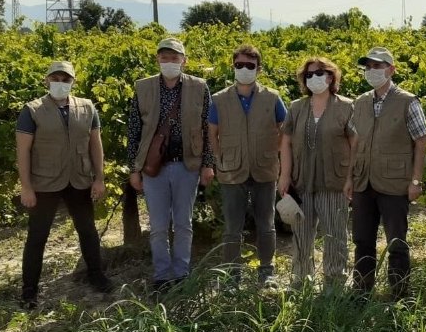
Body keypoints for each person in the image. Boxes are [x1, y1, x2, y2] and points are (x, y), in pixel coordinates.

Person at [15, 61, 113, 309]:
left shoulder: (87, 107)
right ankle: (29, 291)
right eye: (55, 78)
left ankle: (96, 275)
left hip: (79, 178)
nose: (60, 82)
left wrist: (99, 178)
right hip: (45, 181)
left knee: (87, 230)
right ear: (46, 80)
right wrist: (26, 187)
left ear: (73, 82)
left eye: (65, 79)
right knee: (37, 237)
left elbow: (95, 145)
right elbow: (23, 151)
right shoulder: (33, 110)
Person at [125, 37, 215, 291]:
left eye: (175, 58)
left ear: (184, 61)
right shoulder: (143, 88)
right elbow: (134, 130)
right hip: (154, 167)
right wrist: (134, 168)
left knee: (184, 222)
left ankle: (182, 272)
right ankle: (163, 275)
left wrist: (208, 163)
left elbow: (208, 128)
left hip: (187, 165)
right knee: (158, 225)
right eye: (165, 57)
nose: (169, 62)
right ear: (157, 60)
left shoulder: (200, 87)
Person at [350, 47, 426, 301]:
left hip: (395, 184)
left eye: (378, 66)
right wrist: (350, 178)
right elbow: (354, 143)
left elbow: (421, 141)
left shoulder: (408, 101)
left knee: (396, 242)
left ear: (391, 70)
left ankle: (400, 294)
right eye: (369, 67)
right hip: (364, 181)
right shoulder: (360, 102)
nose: (372, 71)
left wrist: (416, 180)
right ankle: (361, 292)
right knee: (362, 240)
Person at [208, 44, 288, 285]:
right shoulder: (219, 99)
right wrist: (219, 158)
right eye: (239, 65)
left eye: (249, 66)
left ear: (258, 69)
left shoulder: (272, 97)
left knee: (266, 223)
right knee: (233, 226)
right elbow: (211, 133)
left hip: (265, 168)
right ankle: (232, 275)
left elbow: (284, 129)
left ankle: (267, 271)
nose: (244, 69)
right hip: (231, 170)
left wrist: (275, 150)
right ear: (233, 67)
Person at [279, 57, 357, 288]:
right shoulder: (297, 107)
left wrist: (351, 177)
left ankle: (334, 285)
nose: (314, 78)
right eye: (309, 75)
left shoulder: (346, 106)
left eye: (319, 73)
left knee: (335, 235)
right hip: (301, 182)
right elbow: (286, 143)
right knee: (301, 236)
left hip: (335, 181)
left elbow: (355, 144)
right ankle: (301, 283)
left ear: (331, 76)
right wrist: (284, 175)